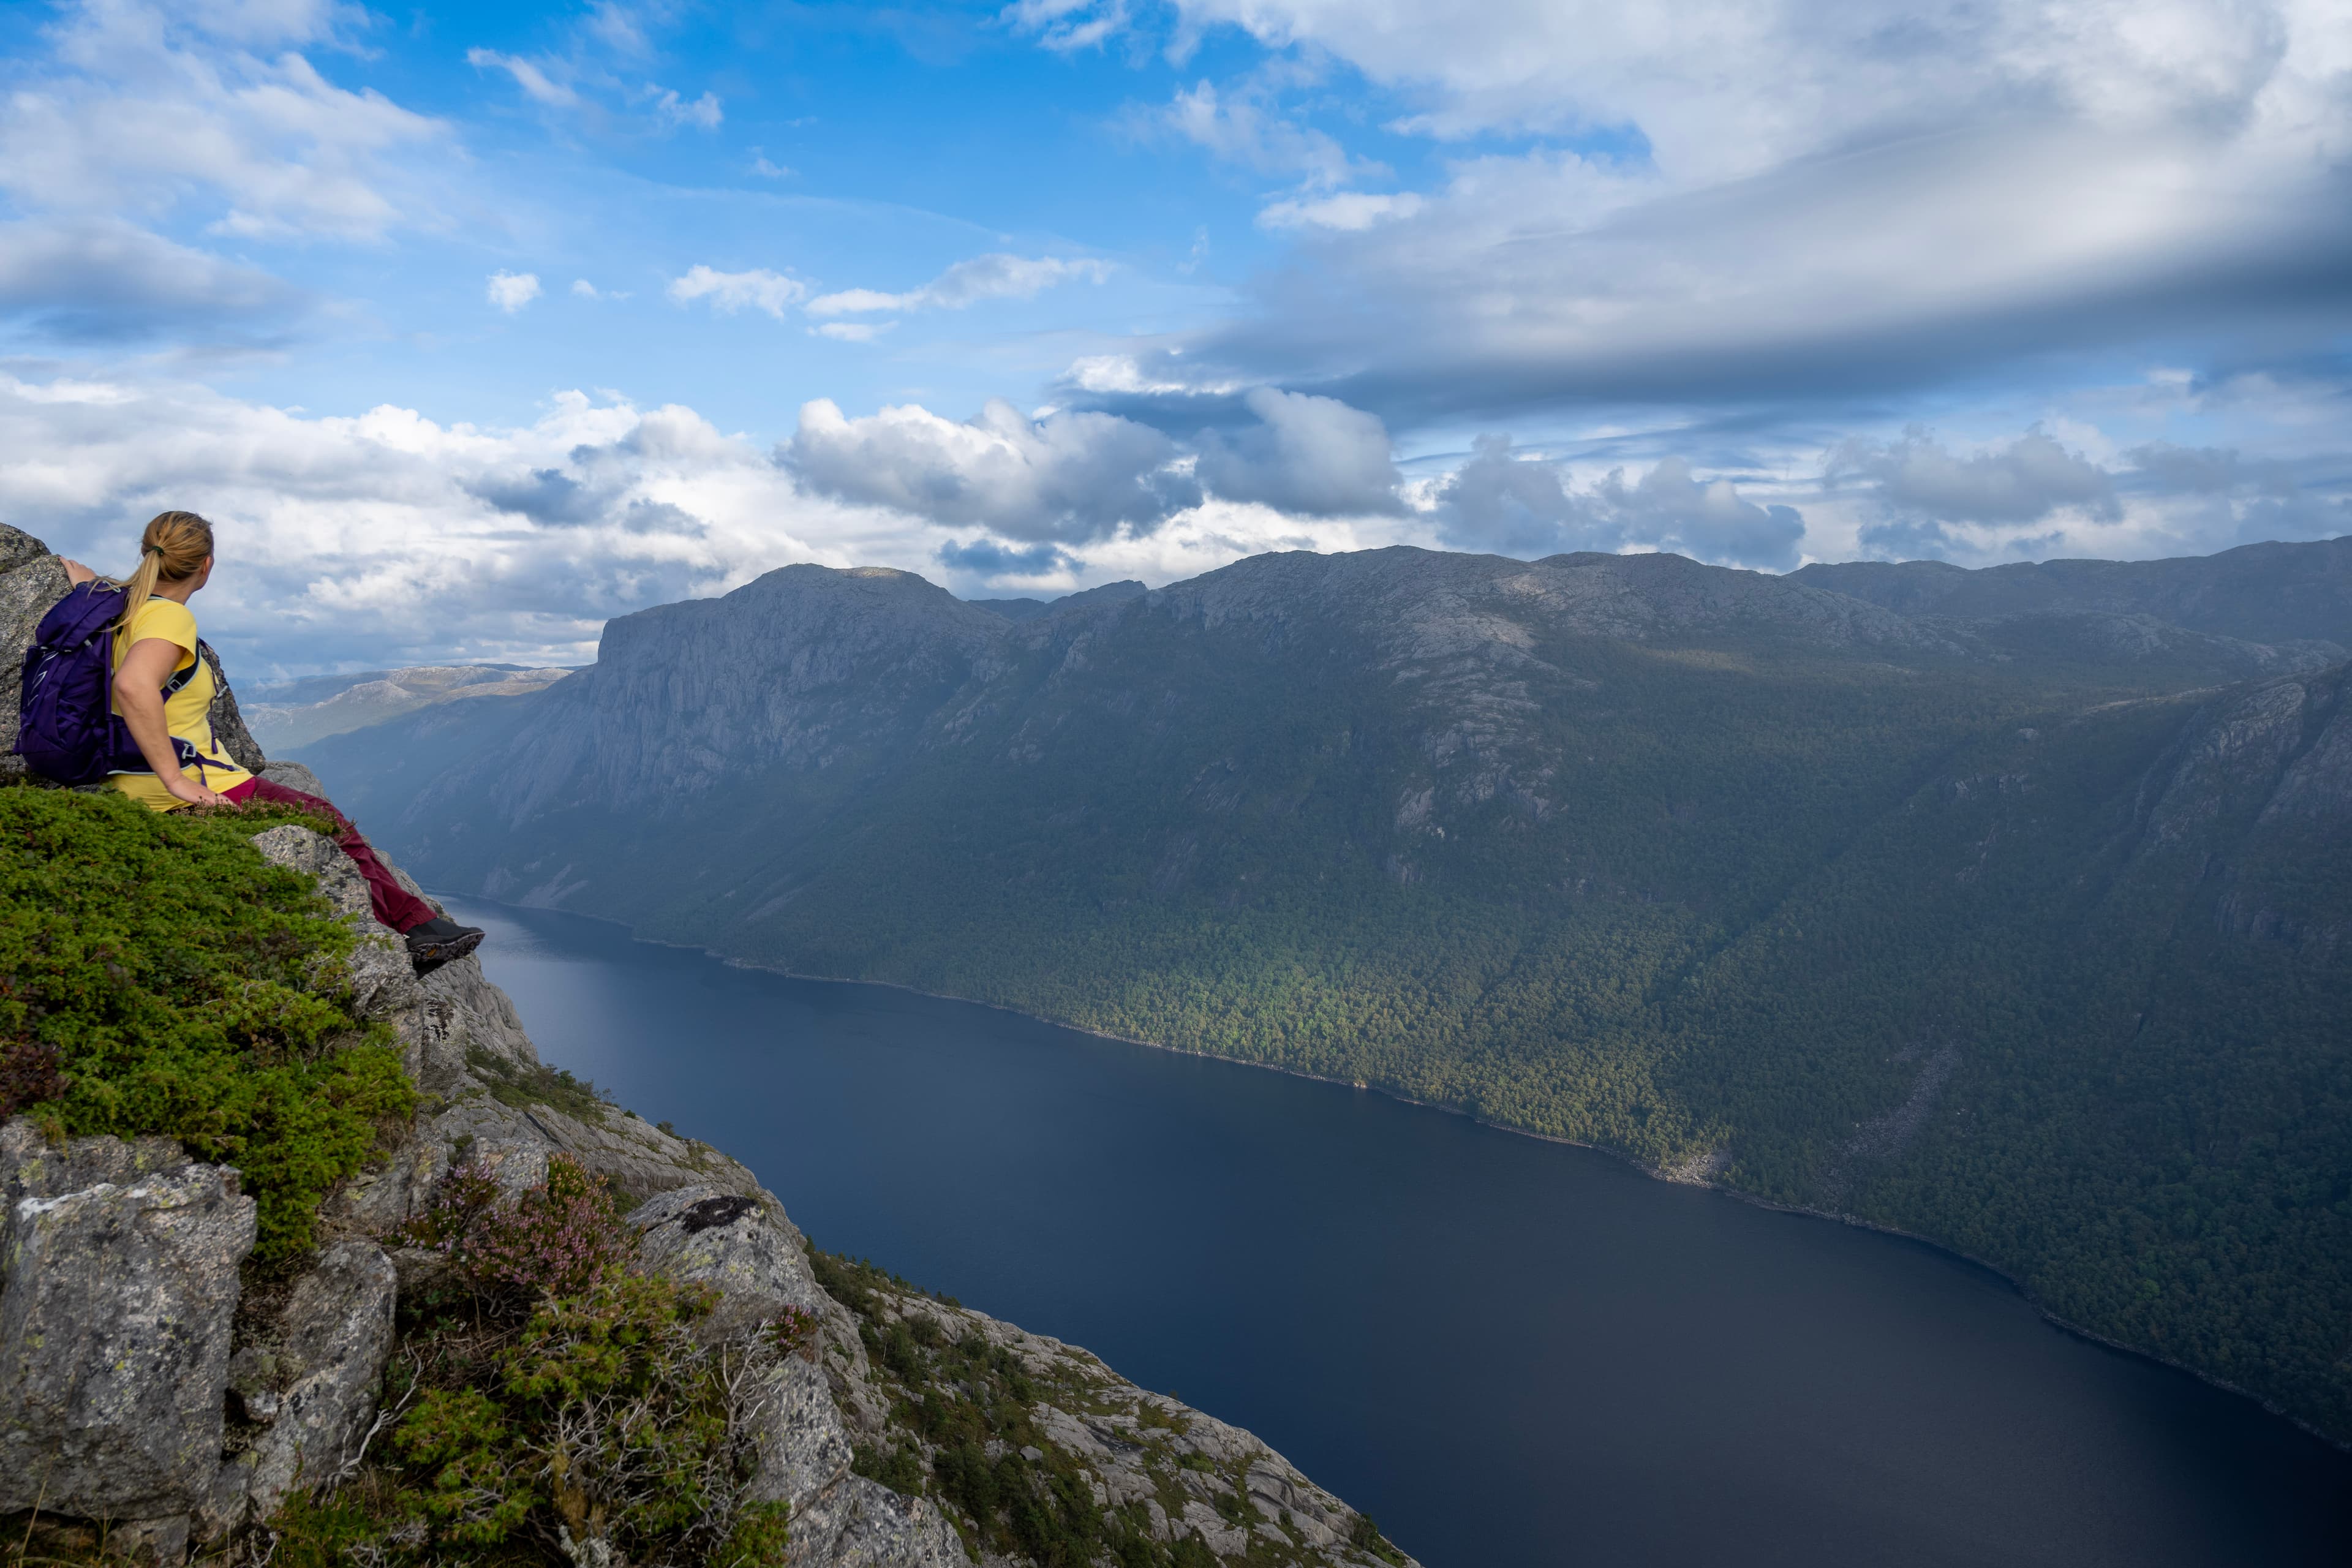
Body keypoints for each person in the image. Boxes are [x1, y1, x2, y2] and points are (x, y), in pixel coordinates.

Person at [61, 510, 485, 972]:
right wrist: (176, 781)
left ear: (147, 555)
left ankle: (419, 928)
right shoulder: (170, 620)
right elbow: (133, 685)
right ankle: (418, 931)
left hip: (120, 780)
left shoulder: (110, 606)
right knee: (327, 821)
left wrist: (84, 582)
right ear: (206, 566)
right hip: (192, 785)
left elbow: (93, 601)